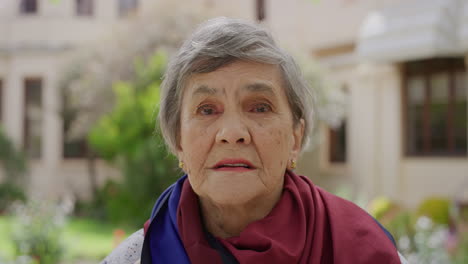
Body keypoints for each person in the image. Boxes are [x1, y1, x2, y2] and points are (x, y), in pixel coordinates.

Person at [102, 17, 407, 264]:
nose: (232, 132)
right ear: (179, 140)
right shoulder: (138, 258)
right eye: (207, 110)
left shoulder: (361, 249)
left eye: (260, 107)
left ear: (295, 138)